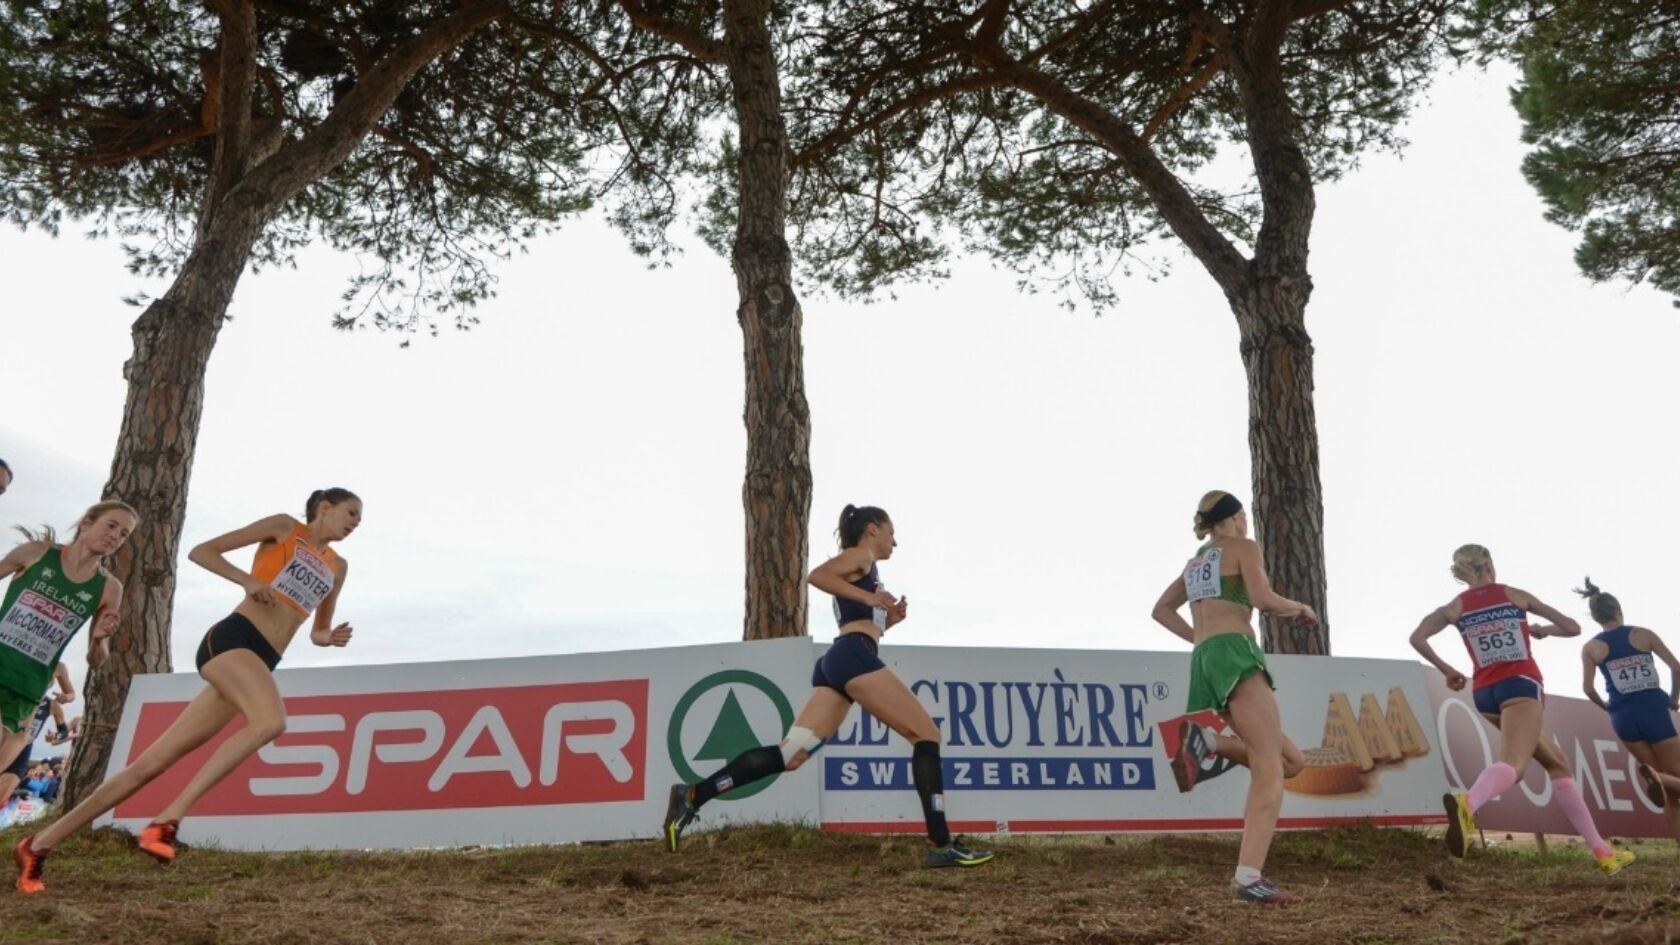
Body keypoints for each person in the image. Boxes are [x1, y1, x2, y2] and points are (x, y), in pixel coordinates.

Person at [15, 489, 360, 894]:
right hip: (233, 640)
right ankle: (167, 820)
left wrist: (328, 637)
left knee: (149, 765)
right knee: (271, 721)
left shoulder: (338, 567)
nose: (355, 523)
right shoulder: (285, 528)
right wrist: (248, 581)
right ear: (324, 507)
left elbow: (317, 629)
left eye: (359, 519)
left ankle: (37, 845)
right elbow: (203, 552)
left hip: (263, 659)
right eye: (351, 512)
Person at [663, 504, 992, 868]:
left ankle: (693, 795)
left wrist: (888, 622)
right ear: (872, 529)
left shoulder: (866, 566)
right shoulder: (861, 556)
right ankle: (941, 843)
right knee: (927, 734)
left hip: (841, 661)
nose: (895, 542)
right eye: (891, 532)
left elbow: (857, 619)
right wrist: (871, 599)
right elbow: (816, 577)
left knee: (790, 755)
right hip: (853, 656)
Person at [1411, 544, 1634, 874]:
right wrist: (1543, 630)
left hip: (1485, 694)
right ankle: (1466, 804)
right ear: (1489, 564)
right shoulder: (1515, 595)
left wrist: (1448, 670)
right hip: (1520, 686)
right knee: (1514, 767)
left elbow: (1417, 637)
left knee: (1557, 763)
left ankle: (1603, 852)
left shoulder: (1454, 607)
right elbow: (1573, 627)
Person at [1150, 491, 1313, 905]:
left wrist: (1202, 641)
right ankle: (1248, 877)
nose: (1247, 524)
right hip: (1235, 653)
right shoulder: (1242, 547)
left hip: (1205, 659)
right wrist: (1299, 608)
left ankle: (1207, 742)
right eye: (1244, 517)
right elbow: (1262, 600)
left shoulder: (1196, 562)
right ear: (1237, 518)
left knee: (1292, 762)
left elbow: (1162, 610)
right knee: (1268, 770)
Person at [0, 501, 134, 777]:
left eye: (123, 534)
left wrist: (98, 641)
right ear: (87, 521)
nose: (115, 536)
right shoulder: (37, 553)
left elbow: (96, 661)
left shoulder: (109, 588)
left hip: (28, 685)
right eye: (111, 525)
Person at [1576, 577, 1680, 847]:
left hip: (1623, 718)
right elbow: (1677, 668)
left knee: (1670, 792)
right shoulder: (1643, 635)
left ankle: (1656, 778)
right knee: (1674, 778)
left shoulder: (1591, 648)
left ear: (1597, 618)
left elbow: (1587, 688)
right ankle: (1655, 776)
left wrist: (1609, 708)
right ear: (1619, 610)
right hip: (1654, 710)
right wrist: (1673, 699)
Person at [0, 670, 72, 804]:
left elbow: (64, 731)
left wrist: (55, 736)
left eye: (50, 681)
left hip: (25, 748)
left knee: (5, 791)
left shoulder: (51, 705)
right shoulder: (17, 694)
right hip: (7, 741)